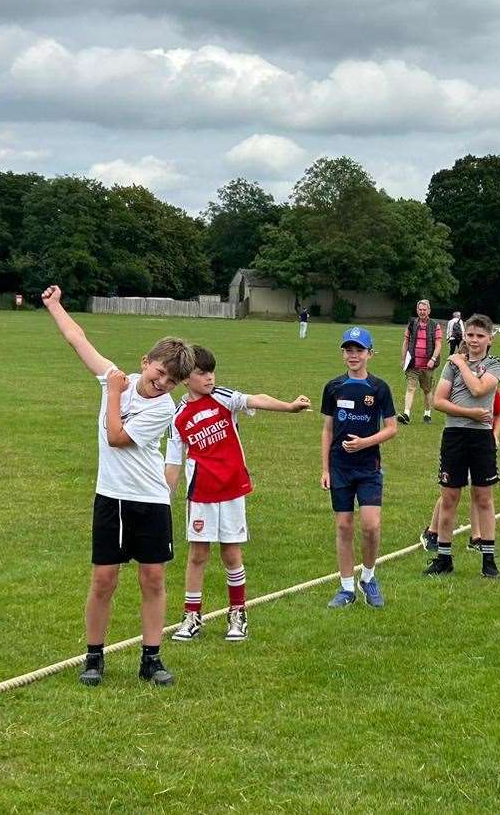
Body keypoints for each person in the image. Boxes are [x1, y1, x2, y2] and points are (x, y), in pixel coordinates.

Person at [42, 285, 191, 689]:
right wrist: (56, 304)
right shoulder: (116, 375)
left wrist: (112, 393)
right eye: (160, 373)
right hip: (111, 499)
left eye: (172, 380)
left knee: (153, 579)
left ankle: (151, 658)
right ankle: (94, 656)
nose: (163, 383)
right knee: (104, 579)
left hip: (149, 501)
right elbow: (78, 339)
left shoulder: (162, 409)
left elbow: (116, 437)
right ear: (147, 362)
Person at [167, 347, 311, 643]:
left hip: (231, 489)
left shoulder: (222, 397)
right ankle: (191, 615)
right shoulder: (178, 416)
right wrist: (162, 500)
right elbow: (172, 463)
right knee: (198, 555)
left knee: (231, 553)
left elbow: (255, 399)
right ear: (185, 379)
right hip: (201, 495)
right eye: (201, 373)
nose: (209, 378)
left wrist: (288, 406)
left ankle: (237, 613)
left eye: (211, 372)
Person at [423, 314, 500, 577]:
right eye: (470, 335)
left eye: (480, 336)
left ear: (490, 339)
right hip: (454, 435)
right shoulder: (451, 366)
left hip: (481, 438)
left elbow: (480, 389)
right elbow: (438, 401)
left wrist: (460, 362)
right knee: (449, 497)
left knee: (483, 497)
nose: (474, 340)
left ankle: (488, 560)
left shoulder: (495, 363)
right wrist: (470, 413)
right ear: (464, 336)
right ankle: (443, 558)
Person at [321, 327, 398, 605]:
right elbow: (327, 430)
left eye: (359, 350)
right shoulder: (333, 387)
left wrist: (365, 442)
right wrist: (325, 468)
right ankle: (346, 589)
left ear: (370, 354)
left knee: (370, 526)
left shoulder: (379, 388)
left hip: (368, 467)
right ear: (343, 354)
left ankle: (367, 578)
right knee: (343, 526)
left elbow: (391, 428)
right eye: (348, 350)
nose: (353, 355)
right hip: (340, 467)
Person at [398, 299, 443, 425]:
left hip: (428, 365)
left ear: (429, 311)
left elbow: (439, 344)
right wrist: (403, 359)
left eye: (424, 310)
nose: (422, 312)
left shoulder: (435, 325)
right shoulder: (411, 324)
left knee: (427, 390)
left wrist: (433, 359)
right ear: (417, 310)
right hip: (413, 364)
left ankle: (427, 414)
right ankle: (406, 414)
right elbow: (406, 342)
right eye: (420, 310)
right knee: (411, 388)